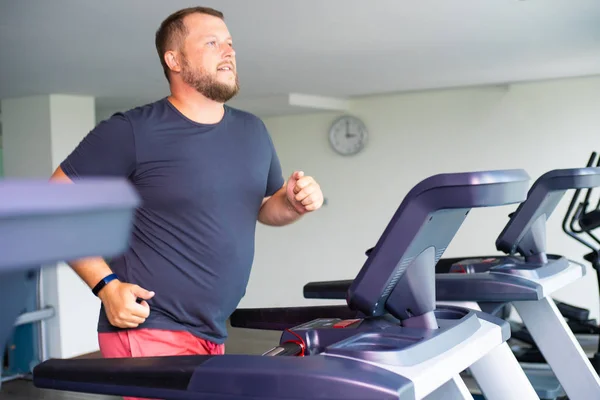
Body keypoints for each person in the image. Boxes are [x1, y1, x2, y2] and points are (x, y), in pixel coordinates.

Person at [50, 4, 323, 375]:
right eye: (212, 43)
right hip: (150, 325)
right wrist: (106, 285)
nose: (229, 52)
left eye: (230, 43)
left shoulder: (252, 131)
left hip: (213, 329)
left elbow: (263, 207)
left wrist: (292, 203)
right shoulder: (132, 130)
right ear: (174, 60)